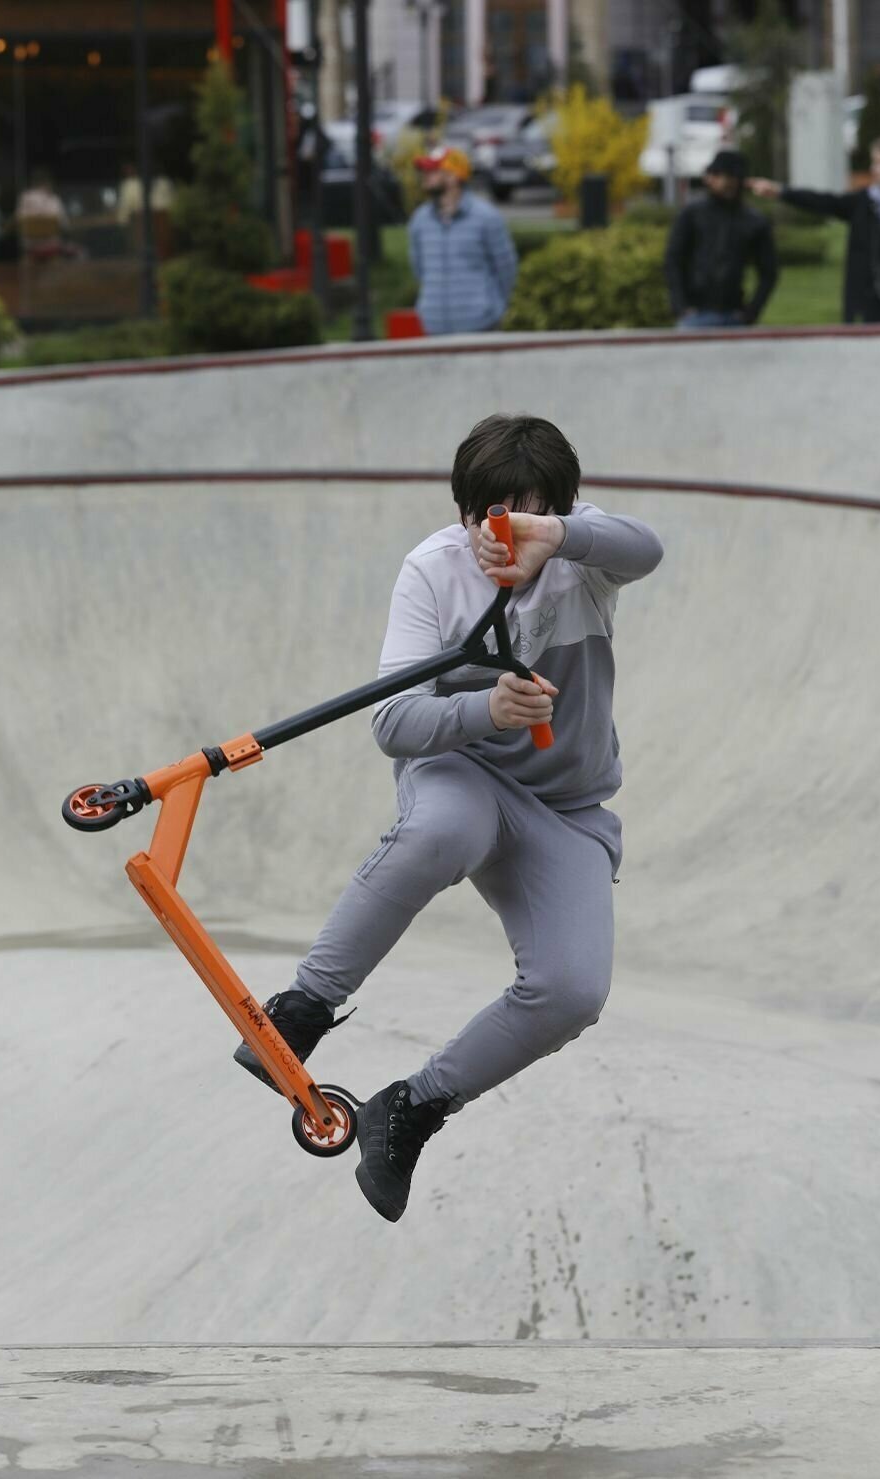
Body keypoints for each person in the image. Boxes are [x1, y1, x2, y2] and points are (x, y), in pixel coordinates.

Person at [234, 414, 664, 1222]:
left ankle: (411, 1108)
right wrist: (484, 711)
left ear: (560, 510)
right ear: (461, 512)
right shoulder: (433, 570)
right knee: (442, 828)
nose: (501, 536)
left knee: (573, 990)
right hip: (462, 771)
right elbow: (393, 721)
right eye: (485, 518)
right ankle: (303, 1008)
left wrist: (557, 537)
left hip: (566, 811)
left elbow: (649, 548)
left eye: (526, 516)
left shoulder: (586, 557)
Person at [748, 136, 880, 325]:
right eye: (874, 162)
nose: (874, 168)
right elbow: (825, 202)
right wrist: (781, 192)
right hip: (864, 304)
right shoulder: (866, 201)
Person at [408, 146, 519, 335]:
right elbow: (419, 269)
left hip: (480, 324)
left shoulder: (487, 217)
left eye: (433, 171)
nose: (425, 176)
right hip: (434, 324)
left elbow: (506, 268)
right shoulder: (420, 220)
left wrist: (495, 308)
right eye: (425, 171)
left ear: (453, 176)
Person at [664, 149, 779, 330]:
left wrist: (751, 312)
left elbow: (769, 272)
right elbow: (673, 260)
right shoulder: (692, 214)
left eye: (721, 175)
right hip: (695, 313)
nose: (714, 180)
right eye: (713, 175)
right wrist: (680, 306)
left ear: (737, 179)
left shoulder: (753, 221)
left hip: (734, 315)